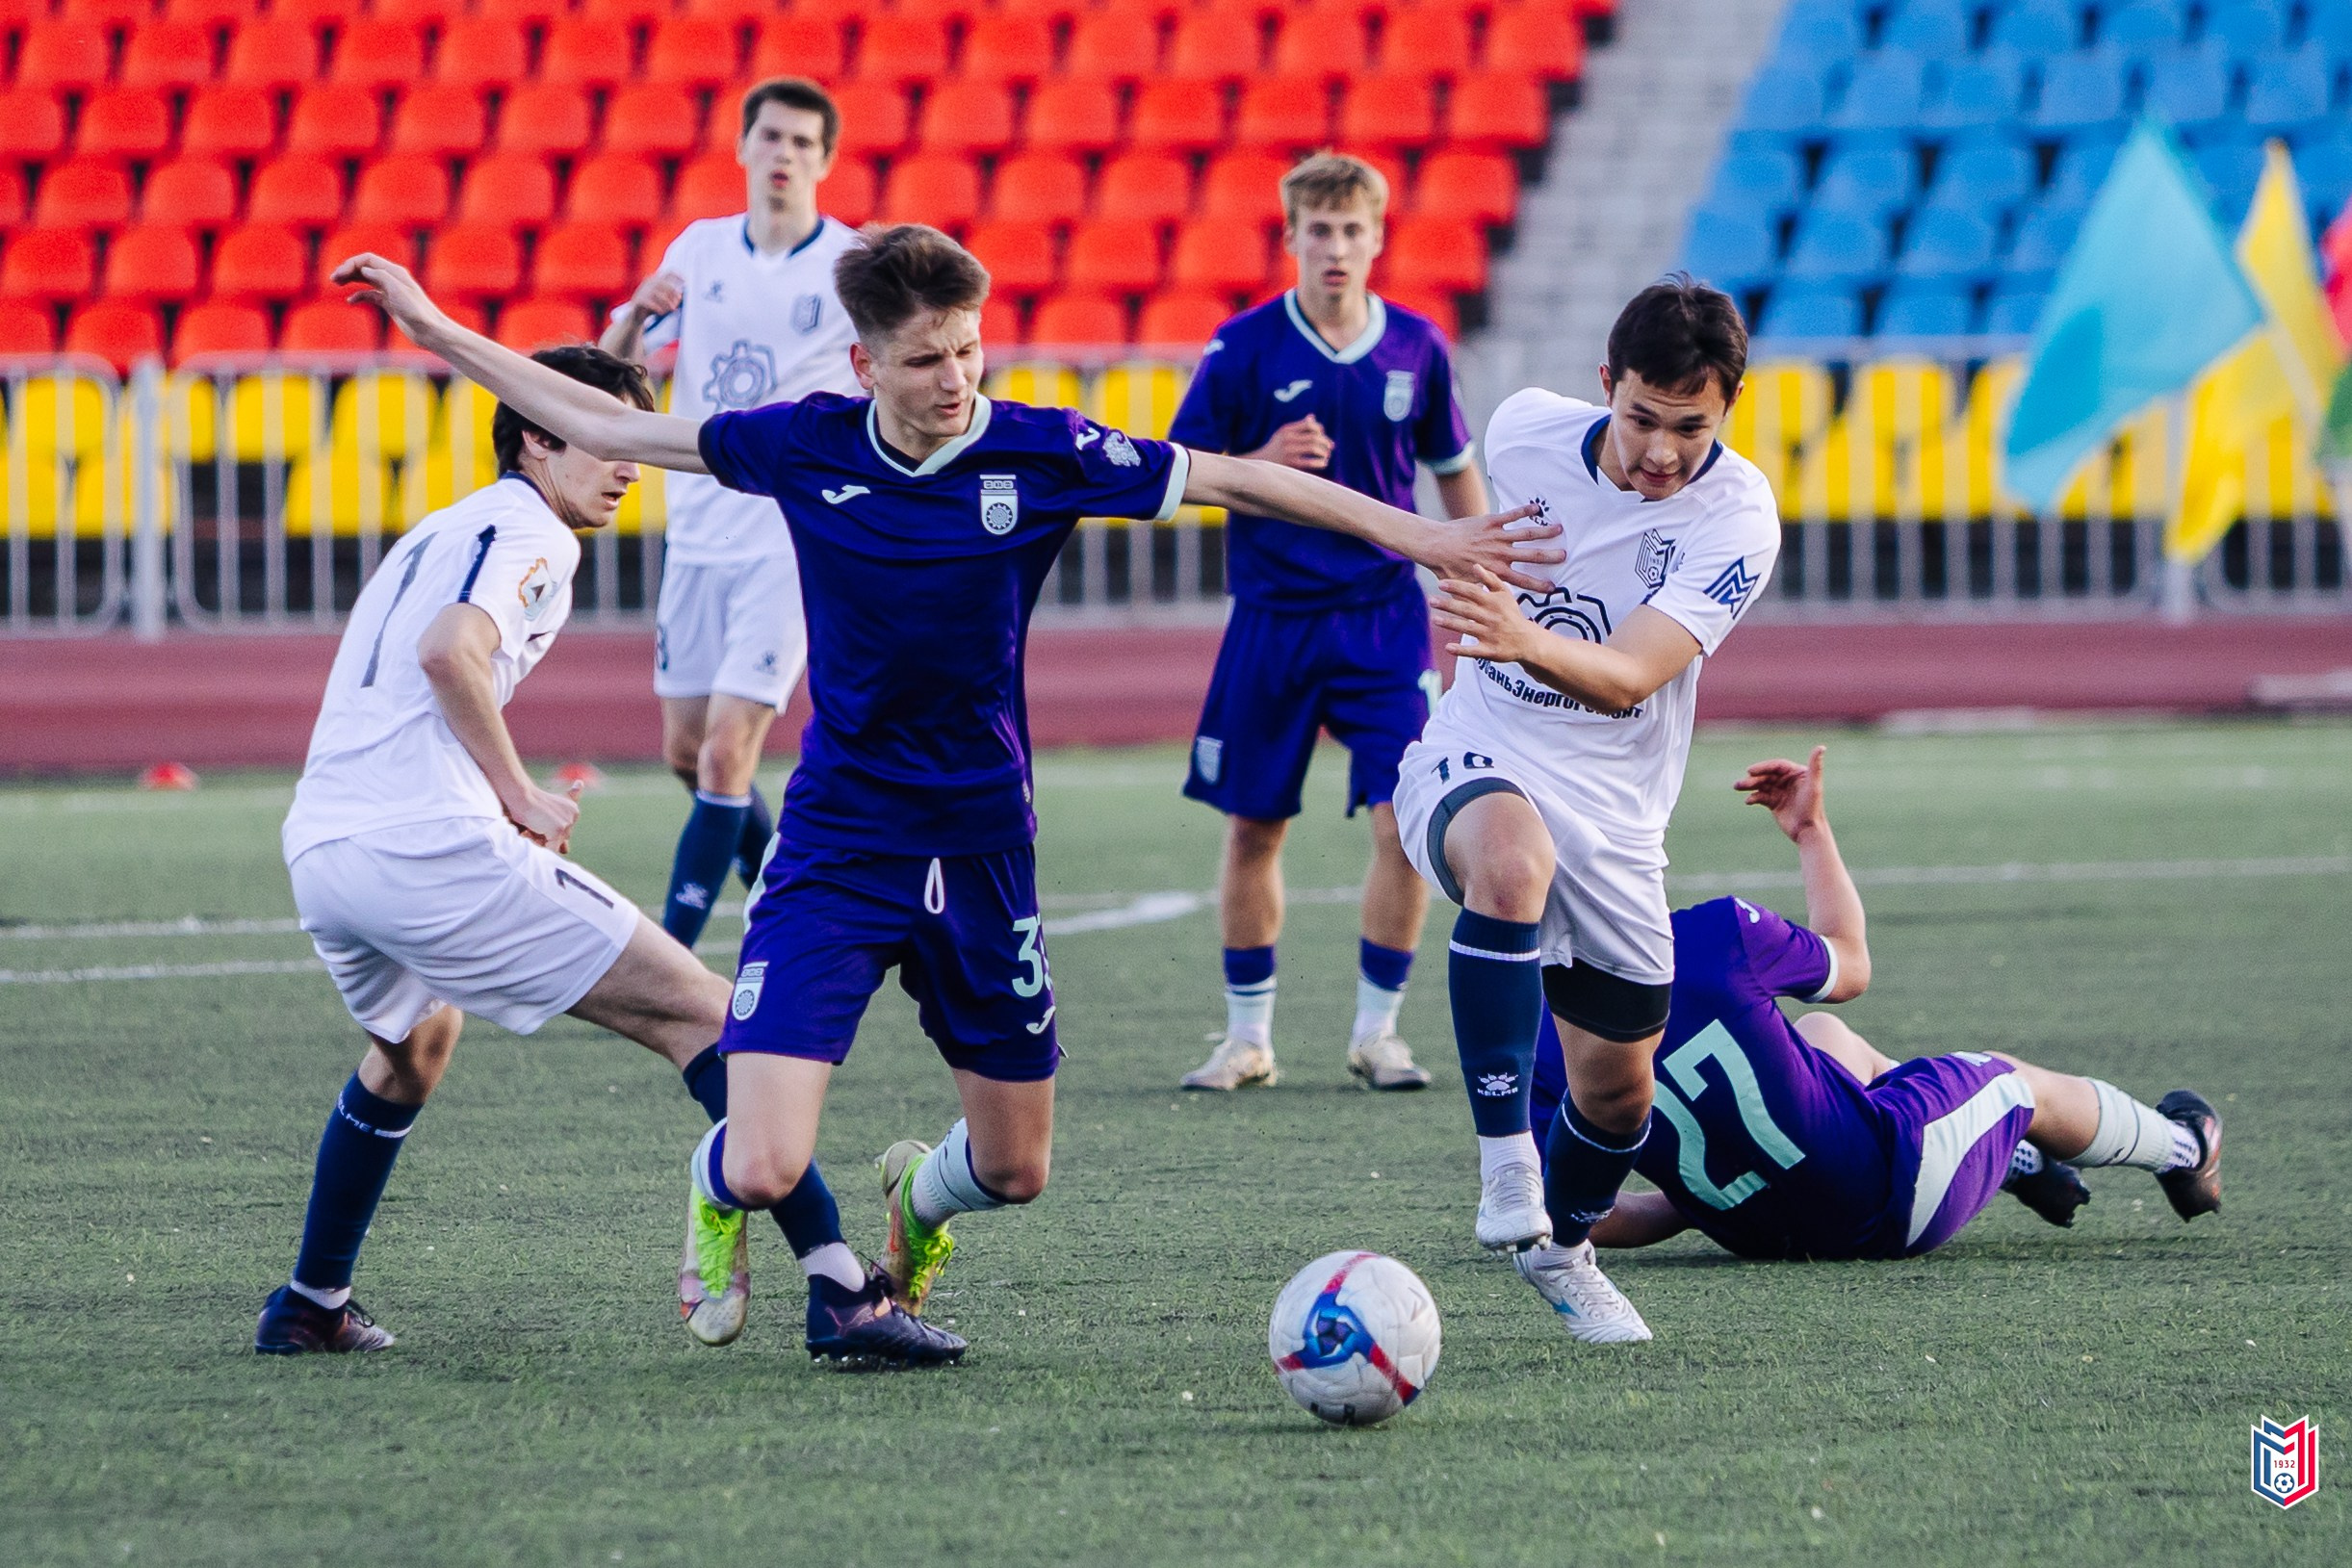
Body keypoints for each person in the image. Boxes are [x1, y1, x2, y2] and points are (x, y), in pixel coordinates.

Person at [329, 224, 1560, 1358]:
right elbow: (605, 420)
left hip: (982, 847)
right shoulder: (800, 444)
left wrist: (1429, 540)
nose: (956, 377)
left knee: (1017, 1169)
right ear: (865, 363)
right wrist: (433, 325)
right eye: (925, 359)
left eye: (969, 347)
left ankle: (916, 1201)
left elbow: (1245, 479)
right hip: (841, 842)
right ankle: (717, 1189)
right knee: (761, 1163)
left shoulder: (1043, 446)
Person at [255, 347, 958, 1368]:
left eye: (639, 437)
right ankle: (844, 1293)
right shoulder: (533, 531)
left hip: (324, 847)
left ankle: (311, 1301)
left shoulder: (446, 525)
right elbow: (448, 651)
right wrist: (520, 794)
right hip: (426, 845)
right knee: (716, 1018)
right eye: (601, 434)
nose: (631, 461)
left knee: (413, 1049)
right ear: (536, 434)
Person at [1390, 275, 1781, 1344]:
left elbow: (1625, 676)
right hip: (1479, 747)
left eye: (1689, 428)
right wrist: (1477, 604)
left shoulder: (1738, 515)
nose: (1660, 450)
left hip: (1615, 814)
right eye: (1641, 418)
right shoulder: (1521, 428)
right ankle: (1503, 1162)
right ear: (1605, 386)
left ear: (1727, 410)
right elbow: (1474, 553)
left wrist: (1519, 633)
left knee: (1618, 1103)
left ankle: (1564, 1245)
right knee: (1510, 864)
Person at [1525, 746, 2224, 1281]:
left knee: (1821, 1036)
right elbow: (1849, 963)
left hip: (1759, 1236)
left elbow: (1588, 1214)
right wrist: (1810, 833)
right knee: (2015, 1081)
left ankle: (2011, 1161)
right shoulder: (1713, 935)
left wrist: (1714, 1200)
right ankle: (2184, 1148)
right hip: (1889, 1198)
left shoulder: (1539, 1042)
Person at [1170, 153, 1488, 1095]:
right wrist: (1260, 458)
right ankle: (1246, 1039)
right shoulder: (1241, 348)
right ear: (1291, 238)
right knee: (1252, 827)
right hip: (1271, 619)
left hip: (1382, 618)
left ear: (1378, 237)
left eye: (1353, 231)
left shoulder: (1417, 349)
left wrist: (1477, 579)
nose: (1336, 248)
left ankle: (1377, 1034)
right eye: (1319, 230)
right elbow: (1180, 466)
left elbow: (1453, 475)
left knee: (1405, 824)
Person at [599, 78, 863, 952]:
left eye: (802, 143)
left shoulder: (850, 266)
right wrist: (638, 311)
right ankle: (791, 885)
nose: (784, 154)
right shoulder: (700, 251)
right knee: (684, 750)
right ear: (743, 148)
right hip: (697, 532)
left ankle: (672, 956)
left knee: (724, 753)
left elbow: (887, 376)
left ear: (824, 160)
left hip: (788, 541)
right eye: (772, 138)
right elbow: (617, 376)